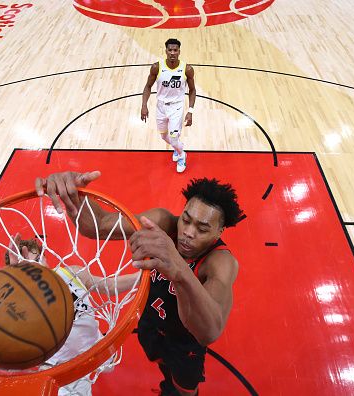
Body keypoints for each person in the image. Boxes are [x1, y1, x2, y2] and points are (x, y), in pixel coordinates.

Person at [36, 170, 244, 396]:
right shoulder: (164, 222)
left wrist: (180, 270)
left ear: (219, 232)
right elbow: (100, 224)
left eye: (202, 229)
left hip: (184, 342)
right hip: (151, 320)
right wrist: (74, 196)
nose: (188, 233)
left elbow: (209, 331)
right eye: (186, 219)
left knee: (184, 389)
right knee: (162, 364)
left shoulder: (220, 262)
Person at [6, 233, 139, 396]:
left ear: (46, 257)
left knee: (109, 366)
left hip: (95, 343)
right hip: (65, 367)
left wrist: (139, 277)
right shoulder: (21, 302)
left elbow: (109, 286)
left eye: (38, 259)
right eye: (29, 267)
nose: (37, 268)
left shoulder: (71, 273)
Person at [141, 38, 196, 173]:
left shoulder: (187, 69)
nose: (172, 53)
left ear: (179, 52)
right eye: (170, 50)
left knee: (172, 137)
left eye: (175, 50)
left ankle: (182, 155)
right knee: (164, 137)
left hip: (176, 107)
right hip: (161, 106)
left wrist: (190, 111)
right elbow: (148, 86)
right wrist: (144, 105)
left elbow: (192, 90)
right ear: (165, 51)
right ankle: (178, 147)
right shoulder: (157, 67)